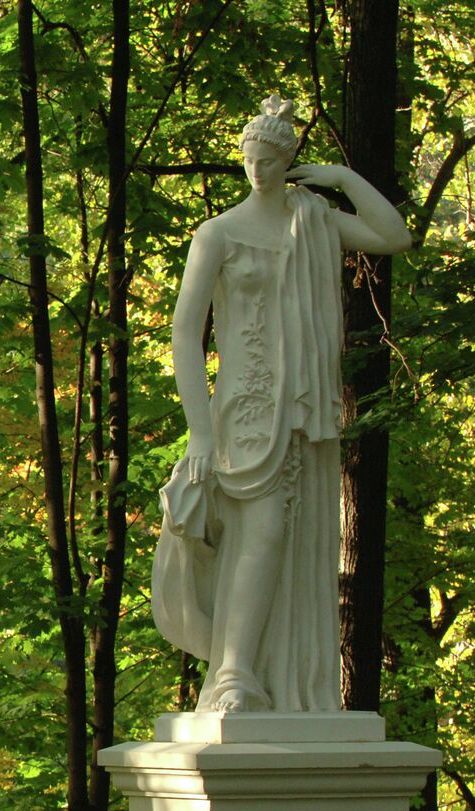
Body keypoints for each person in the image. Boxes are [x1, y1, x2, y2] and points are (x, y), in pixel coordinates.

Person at [153, 95, 412, 712]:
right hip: (244, 410)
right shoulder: (217, 233)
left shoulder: (312, 222)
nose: (258, 169)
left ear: (289, 159)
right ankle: (234, 674)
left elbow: (393, 236)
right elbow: (185, 332)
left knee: (286, 539)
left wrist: (344, 178)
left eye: (269, 158)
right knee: (262, 531)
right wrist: (199, 431)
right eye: (250, 157)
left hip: (303, 408)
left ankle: (261, 677)